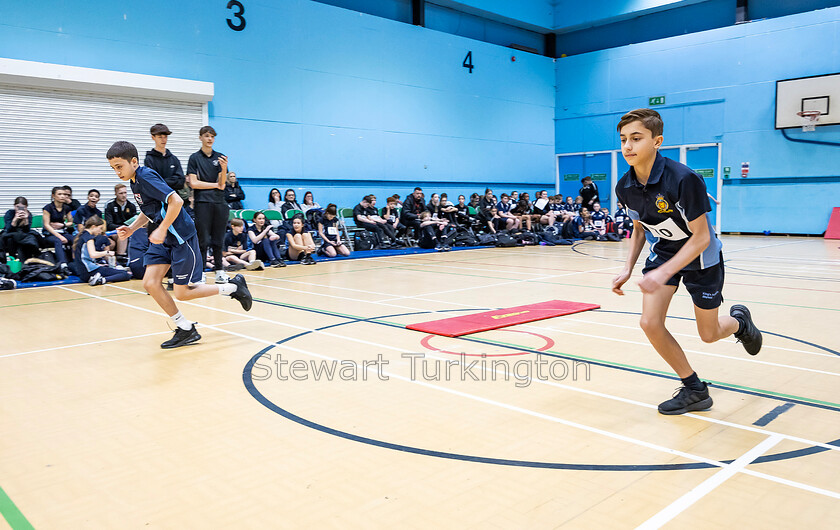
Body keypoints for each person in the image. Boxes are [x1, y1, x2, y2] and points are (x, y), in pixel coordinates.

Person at [610, 108, 761, 415]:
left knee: (709, 335)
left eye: (636, 138)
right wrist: (628, 268)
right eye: (624, 139)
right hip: (664, 252)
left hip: (701, 258)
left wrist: (664, 271)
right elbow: (640, 226)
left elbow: (702, 237)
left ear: (657, 141)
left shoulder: (683, 179)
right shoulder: (623, 186)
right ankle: (695, 389)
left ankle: (740, 323)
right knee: (649, 323)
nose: (628, 146)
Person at [107, 140, 252, 349]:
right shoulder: (134, 181)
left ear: (134, 161)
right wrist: (132, 228)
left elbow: (177, 201)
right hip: (164, 238)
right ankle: (185, 328)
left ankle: (233, 287)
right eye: (113, 168)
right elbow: (150, 210)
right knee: (150, 283)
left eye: (119, 167)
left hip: (180, 237)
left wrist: (163, 228)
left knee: (183, 293)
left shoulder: (146, 176)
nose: (117, 172)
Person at [186, 125, 230, 284]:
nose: (209, 139)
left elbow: (223, 184)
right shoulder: (194, 158)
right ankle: (201, 272)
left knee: (219, 240)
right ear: (200, 138)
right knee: (203, 240)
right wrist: (214, 185)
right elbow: (193, 183)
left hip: (220, 202)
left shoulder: (220, 157)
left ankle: (219, 271)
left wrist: (224, 169)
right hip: (202, 203)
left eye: (212, 136)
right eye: (206, 136)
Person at [72, 216, 132, 286]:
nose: (100, 231)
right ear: (93, 226)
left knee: (106, 268)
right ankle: (101, 280)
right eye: (100, 228)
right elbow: (93, 254)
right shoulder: (89, 238)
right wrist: (107, 253)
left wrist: (98, 265)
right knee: (125, 274)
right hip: (89, 271)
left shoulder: (81, 235)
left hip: (83, 271)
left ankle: (99, 278)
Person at [144, 123, 187, 201]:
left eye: (165, 137)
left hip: (174, 200)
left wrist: (162, 181)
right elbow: (153, 183)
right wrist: (173, 180)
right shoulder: (149, 159)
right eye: (160, 137)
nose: (163, 140)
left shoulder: (174, 159)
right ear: (153, 137)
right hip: (157, 201)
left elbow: (181, 181)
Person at [42, 186, 75, 267]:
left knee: (75, 239)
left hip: (62, 232)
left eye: (64, 194)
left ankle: (75, 261)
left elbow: (71, 222)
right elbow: (46, 225)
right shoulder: (48, 208)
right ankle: (62, 264)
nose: (63, 196)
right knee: (58, 241)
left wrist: (63, 225)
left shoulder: (66, 208)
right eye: (59, 194)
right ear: (53, 196)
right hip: (50, 234)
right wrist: (60, 237)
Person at [104, 183, 137, 259]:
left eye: (125, 192)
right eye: (121, 193)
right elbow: (109, 224)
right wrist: (122, 227)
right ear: (116, 194)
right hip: (114, 231)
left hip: (129, 230)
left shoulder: (131, 206)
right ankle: (120, 258)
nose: (124, 195)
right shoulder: (110, 206)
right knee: (123, 234)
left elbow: (135, 220)